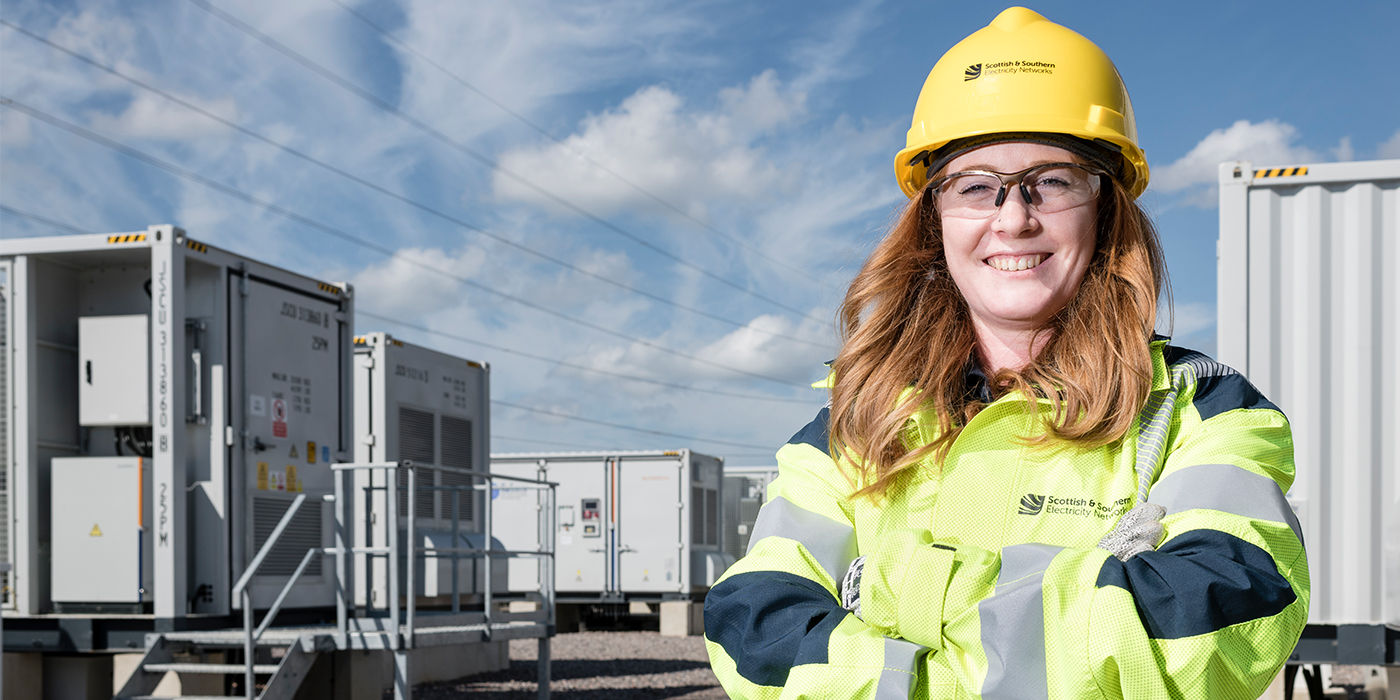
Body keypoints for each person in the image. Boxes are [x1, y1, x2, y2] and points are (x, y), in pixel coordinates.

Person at [704, 7, 1308, 699]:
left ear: (1105, 206)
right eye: (975, 186)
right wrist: (1077, 597)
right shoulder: (852, 425)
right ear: (934, 217)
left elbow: (1224, 614)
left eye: (1052, 180)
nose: (1014, 217)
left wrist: (893, 605)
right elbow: (754, 625)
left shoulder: (1200, 410)